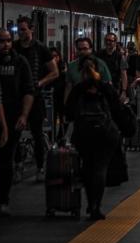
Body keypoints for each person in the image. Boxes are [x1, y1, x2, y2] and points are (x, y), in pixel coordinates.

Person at [0, 28, 34, 216]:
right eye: (2, 41)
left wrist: (24, 115)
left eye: (9, 41)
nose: (6, 45)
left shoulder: (20, 62)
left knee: (6, 162)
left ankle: (3, 200)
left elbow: (28, 90)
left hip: (12, 118)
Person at [65, 57, 120, 221]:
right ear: (99, 70)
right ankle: (96, 205)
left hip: (83, 134)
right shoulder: (105, 88)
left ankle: (90, 203)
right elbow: (117, 109)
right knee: (100, 168)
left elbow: (68, 112)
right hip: (105, 133)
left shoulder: (78, 89)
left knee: (88, 167)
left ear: (80, 72)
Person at [15, 16, 59, 182]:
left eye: (24, 29)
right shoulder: (14, 48)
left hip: (36, 97)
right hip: (17, 97)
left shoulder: (41, 49)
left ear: (31, 29)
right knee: (15, 133)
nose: (21, 33)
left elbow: (54, 72)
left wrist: (40, 83)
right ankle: (18, 164)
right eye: (19, 30)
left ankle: (40, 167)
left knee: (37, 133)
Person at [64, 37, 113, 104]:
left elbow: (108, 84)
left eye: (85, 49)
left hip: (98, 102)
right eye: (79, 49)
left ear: (90, 49)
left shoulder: (100, 64)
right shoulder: (72, 66)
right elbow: (68, 87)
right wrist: (66, 104)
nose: (82, 52)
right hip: (78, 102)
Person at [96, 32, 128, 100]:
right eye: (106, 40)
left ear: (115, 42)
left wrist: (124, 91)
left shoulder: (120, 57)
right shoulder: (98, 55)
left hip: (114, 88)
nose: (108, 42)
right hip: (100, 87)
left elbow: (123, 74)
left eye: (110, 40)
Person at [49, 47, 67, 140]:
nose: (54, 58)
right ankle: (51, 138)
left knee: (62, 118)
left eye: (56, 56)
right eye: (52, 56)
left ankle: (61, 137)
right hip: (51, 97)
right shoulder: (46, 69)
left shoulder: (63, 69)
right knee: (50, 118)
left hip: (61, 97)